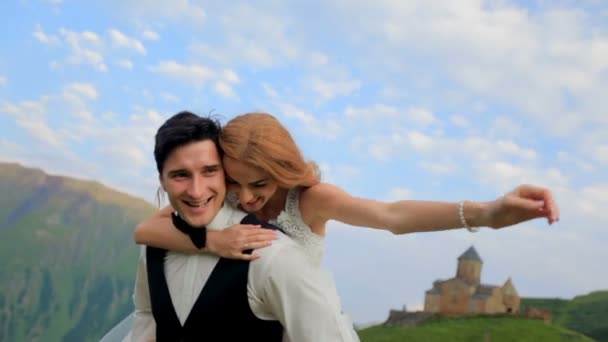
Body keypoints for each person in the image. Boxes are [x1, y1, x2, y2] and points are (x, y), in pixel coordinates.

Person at [134, 112, 559, 265]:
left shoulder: (312, 200)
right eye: (236, 182)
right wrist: (213, 240)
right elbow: (147, 230)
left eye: (260, 184)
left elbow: (390, 216)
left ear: (284, 170)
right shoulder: (220, 195)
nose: (244, 198)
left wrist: (487, 212)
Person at [119, 111, 359, 342]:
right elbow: (146, 312)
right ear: (162, 180)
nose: (196, 191)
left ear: (226, 173)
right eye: (180, 175)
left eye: (209, 171)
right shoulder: (154, 247)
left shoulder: (272, 254)